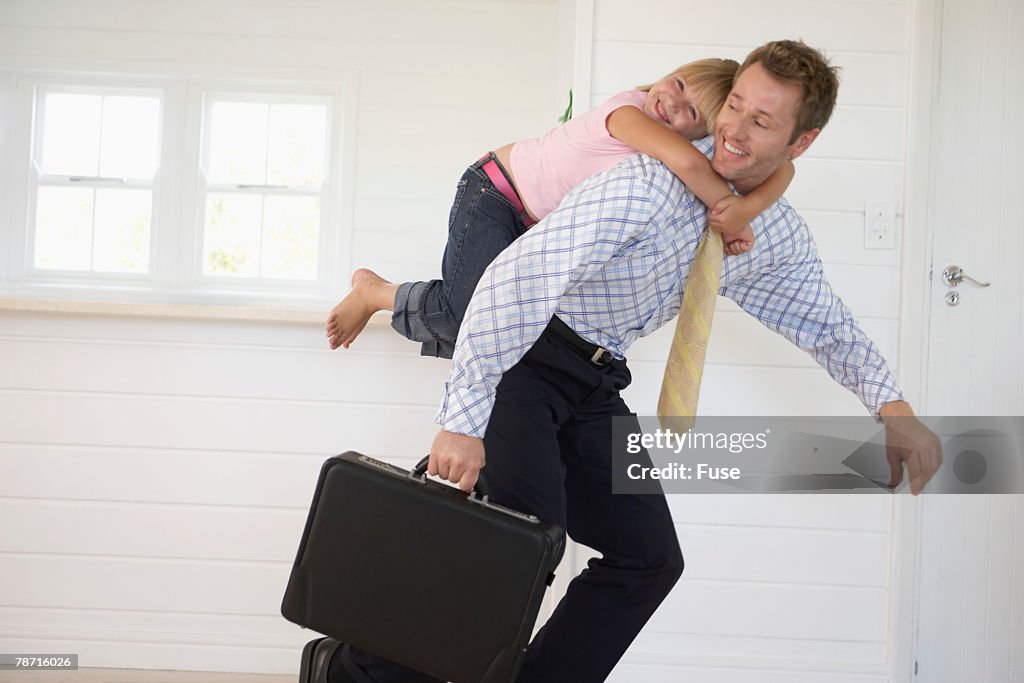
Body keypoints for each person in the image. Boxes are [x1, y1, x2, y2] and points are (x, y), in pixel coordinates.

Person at [302, 39, 943, 683]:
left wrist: (894, 408)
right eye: (736, 105)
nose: (734, 129)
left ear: (799, 144)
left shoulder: (770, 233)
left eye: (762, 121)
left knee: (648, 559)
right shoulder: (644, 183)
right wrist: (465, 418)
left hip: (595, 378)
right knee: (520, 543)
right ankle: (352, 673)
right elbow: (518, 280)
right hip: (528, 353)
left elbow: (823, 321)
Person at [324, 58, 798, 356]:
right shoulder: (629, 112)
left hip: (531, 222)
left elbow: (785, 169)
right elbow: (690, 165)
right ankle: (375, 292)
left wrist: (750, 206)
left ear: (700, 133)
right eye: (676, 85)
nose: (670, 103)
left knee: (507, 321)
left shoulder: (670, 153)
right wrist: (734, 215)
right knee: (465, 311)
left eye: (690, 113)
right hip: (495, 192)